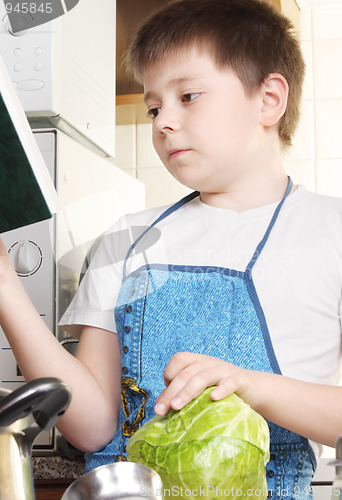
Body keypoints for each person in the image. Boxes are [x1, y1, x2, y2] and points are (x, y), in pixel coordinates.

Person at [0, 0, 342, 497]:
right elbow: (92, 425)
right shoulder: (126, 237)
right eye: (155, 107)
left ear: (269, 99)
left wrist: (250, 386)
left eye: (189, 96)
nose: (163, 122)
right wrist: (7, 291)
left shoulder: (329, 230)